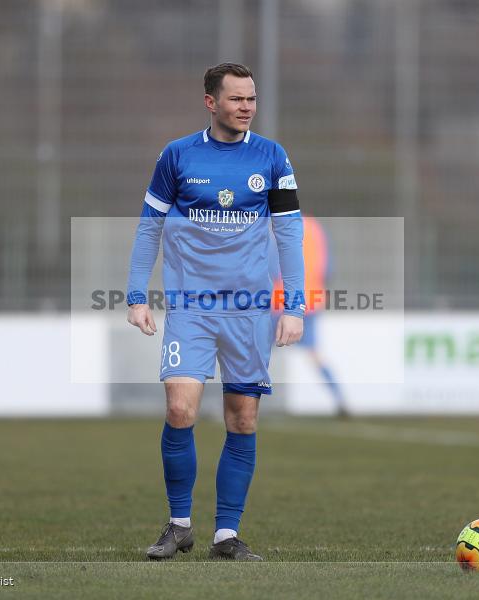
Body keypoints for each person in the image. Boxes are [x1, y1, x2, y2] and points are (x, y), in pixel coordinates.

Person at [125, 63, 305, 561]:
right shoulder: (177, 155)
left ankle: (226, 535)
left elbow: (289, 233)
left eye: (251, 98)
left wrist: (294, 305)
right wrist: (136, 295)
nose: (246, 106)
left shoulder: (272, 156)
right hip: (191, 308)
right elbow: (149, 228)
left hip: (249, 312)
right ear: (211, 101)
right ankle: (179, 524)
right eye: (236, 99)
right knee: (180, 409)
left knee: (242, 420)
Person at [273, 214, 348, 417]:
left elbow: (273, 268)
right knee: (315, 355)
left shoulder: (275, 227)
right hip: (311, 302)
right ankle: (340, 399)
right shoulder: (315, 227)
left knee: (255, 354)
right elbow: (327, 268)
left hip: (279, 302)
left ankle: (243, 403)